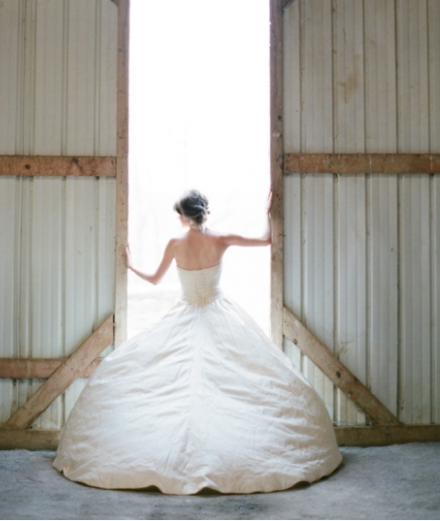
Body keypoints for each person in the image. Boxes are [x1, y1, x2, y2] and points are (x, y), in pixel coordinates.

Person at [53, 190, 342, 494]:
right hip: (220, 312)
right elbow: (265, 239)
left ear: (184, 215)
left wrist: (130, 264)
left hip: (188, 311)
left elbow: (153, 279)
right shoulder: (220, 238)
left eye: (178, 213)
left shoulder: (176, 244)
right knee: (245, 379)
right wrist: (267, 212)